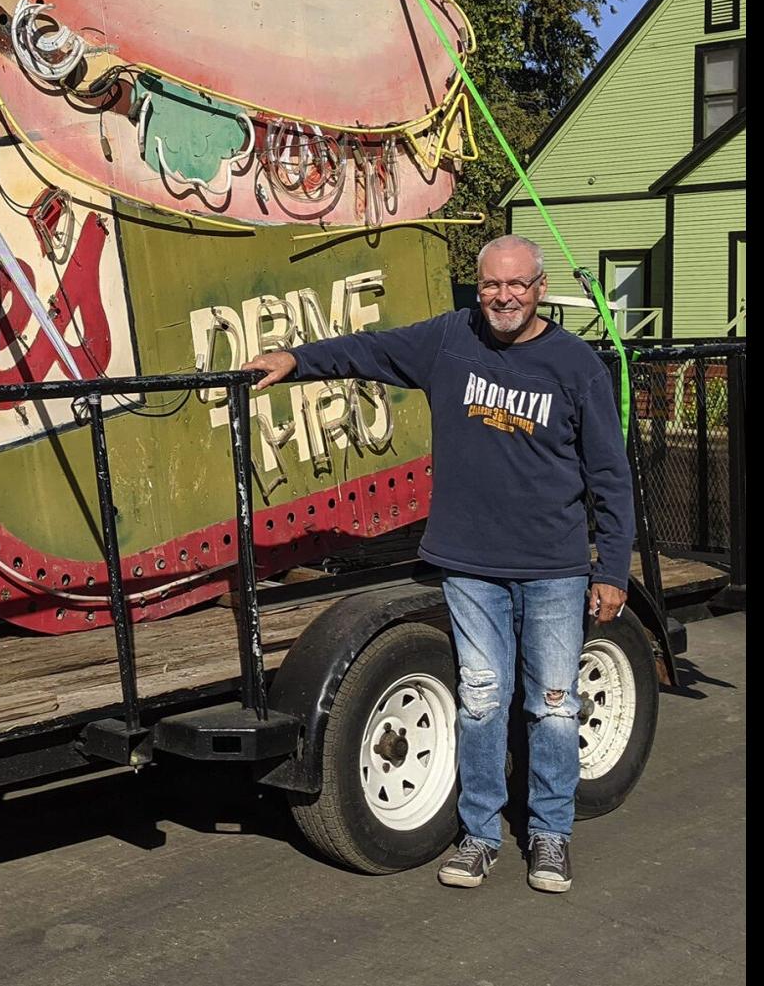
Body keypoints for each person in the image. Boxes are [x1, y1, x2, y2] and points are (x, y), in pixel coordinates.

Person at [241, 234, 632, 894]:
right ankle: (480, 835)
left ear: (539, 288)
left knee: (555, 707)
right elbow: (368, 348)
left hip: (554, 567)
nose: (502, 296)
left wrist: (613, 569)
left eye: (516, 284)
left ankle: (550, 835)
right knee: (481, 703)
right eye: (489, 285)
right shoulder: (450, 340)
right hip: (470, 563)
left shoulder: (576, 364)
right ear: (476, 287)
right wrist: (294, 359)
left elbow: (609, 475)